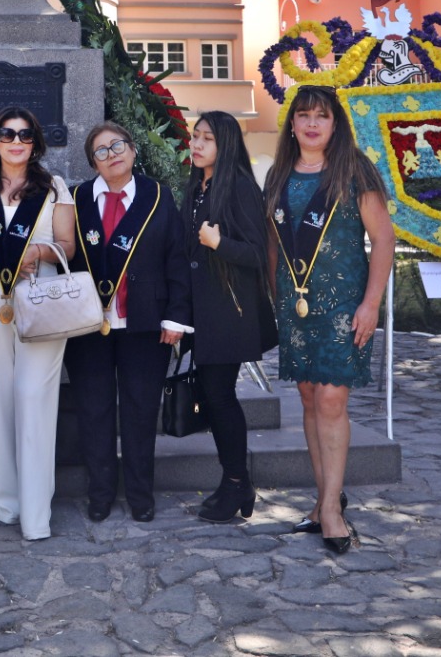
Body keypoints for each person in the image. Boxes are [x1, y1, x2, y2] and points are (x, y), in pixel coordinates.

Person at [263, 85, 394, 554]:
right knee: (308, 398)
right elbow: (275, 244)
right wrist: (271, 298)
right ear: (293, 124)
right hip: (295, 304)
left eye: (321, 116)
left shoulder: (354, 171)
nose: (312, 124)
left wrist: (371, 303)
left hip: (344, 305)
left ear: (335, 123)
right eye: (303, 116)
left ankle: (334, 511)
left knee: (332, 400)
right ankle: (322, 501)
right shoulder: (279, 174)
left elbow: (383, 240)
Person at [0, 107, 76, 541]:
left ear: (35, 142)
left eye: (25, 134)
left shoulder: (53, 187)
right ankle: (8, 504)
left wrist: (36, 253)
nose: (16, 140)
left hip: (41, 298)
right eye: (7, 133)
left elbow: (67, 245)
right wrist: (3, 257)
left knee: (34, 398)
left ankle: (36, 513)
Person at [65, 122, 193, 523]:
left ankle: (140, 495)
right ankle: (100, 494)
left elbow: (177, 260)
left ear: (133, 150)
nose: (111, 154)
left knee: (140, 412)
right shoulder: (76, 199)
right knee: (94, 411)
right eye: (101, 151)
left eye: (118, 145)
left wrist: (176, 318)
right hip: (89, 327)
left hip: (145, 324)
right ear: (92, 163)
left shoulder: (159, 197)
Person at [184, 110, 279, 523]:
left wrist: (220, 242)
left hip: (230, 312)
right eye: (194, 136)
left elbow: (258, 254)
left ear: (225, 145)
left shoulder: (239, 187)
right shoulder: (196, 186)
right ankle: (234, 482)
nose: (197, 144)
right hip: (200, 311)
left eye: (207, 138)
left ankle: (237, 483)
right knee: (211, 396)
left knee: (219, 397)